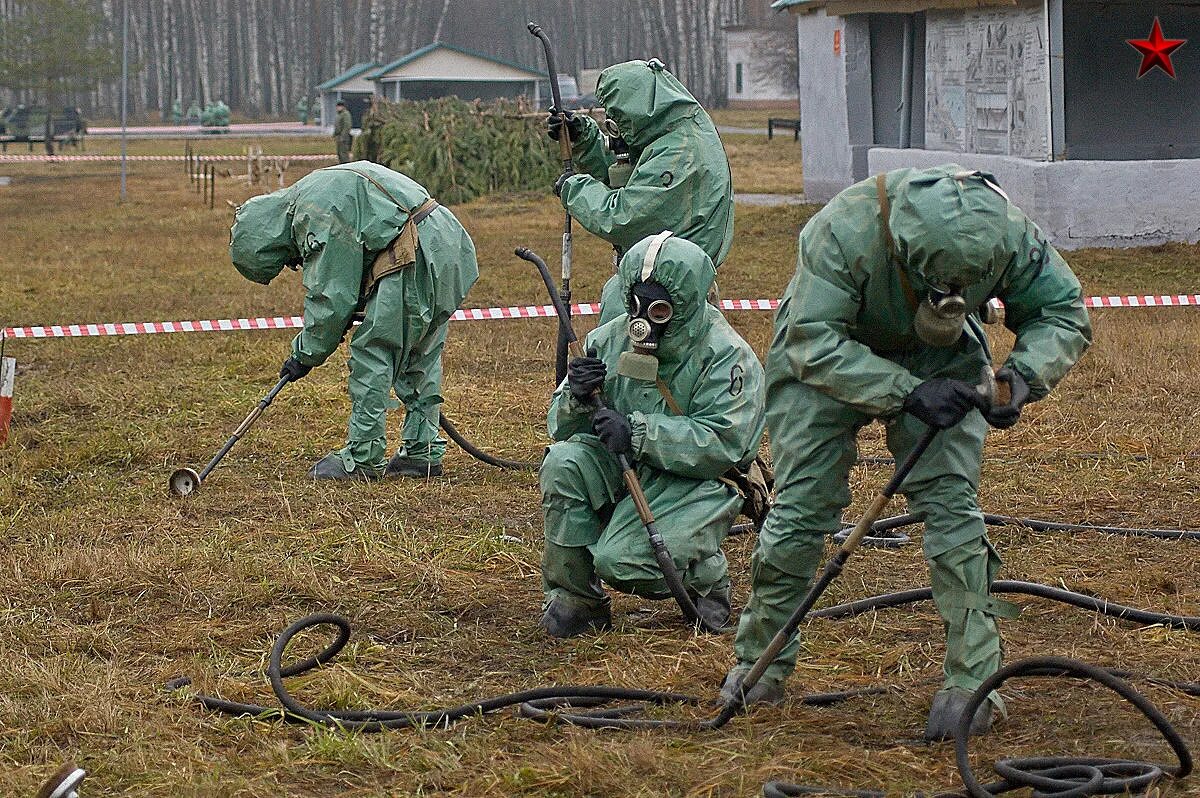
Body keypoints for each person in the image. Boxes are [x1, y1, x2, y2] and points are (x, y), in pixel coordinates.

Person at [720, 165, 1092, 740]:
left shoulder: (1010, 236)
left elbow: (1062, 311)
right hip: (826, 355)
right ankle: (758, 662)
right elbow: (811, 339)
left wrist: (1020, 377)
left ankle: (974, 681)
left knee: (952, 508)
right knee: (801, 511)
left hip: (940, 356)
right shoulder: (842, 231)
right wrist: (904, 392)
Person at [539, 233, 765, 637]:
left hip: (698, 480)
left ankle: (706, 579)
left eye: (659, 309)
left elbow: (724, 443)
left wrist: (640, 434)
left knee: (622, 561)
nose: (643, 321)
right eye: (635, 306)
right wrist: (574, 396)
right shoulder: (609, 338)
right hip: (625, 464)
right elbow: (558, 425)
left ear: (687, 303)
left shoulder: (727, 356)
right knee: (563, 463)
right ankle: (576, 599)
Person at [229, 161, 479, 480]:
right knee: (419, 355)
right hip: (446, 241)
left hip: (413, 250)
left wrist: (304, 355)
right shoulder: (313, 189)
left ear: (268, 242)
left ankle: (363, 457)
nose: (292, 264)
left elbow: (333, 297)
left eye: (285, 260)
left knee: (374, 351)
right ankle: (421, 451)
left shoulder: (314, 213)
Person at [546, 59, 733, 322]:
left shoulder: (679, 154)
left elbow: (623, 216)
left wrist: (573, 188)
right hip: (661, 279)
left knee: (620, 356)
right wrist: (583, 138)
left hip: (668, 292)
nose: (616, 129)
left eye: (619, 118)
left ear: (637, 108)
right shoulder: (670, 134)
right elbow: (628, 178)